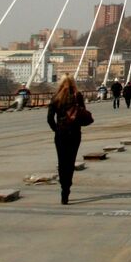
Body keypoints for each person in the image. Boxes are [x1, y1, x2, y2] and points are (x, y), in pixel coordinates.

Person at [47, 75, 91, 205]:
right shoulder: (78, 96)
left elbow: (49, 119)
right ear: (73, 83)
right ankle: (67, 189)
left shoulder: (55, 98)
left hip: (60, 134)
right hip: (75, 133)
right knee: (70, 161)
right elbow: (83, 112)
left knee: (62, 161)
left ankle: (63, 187)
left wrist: (56, 129)